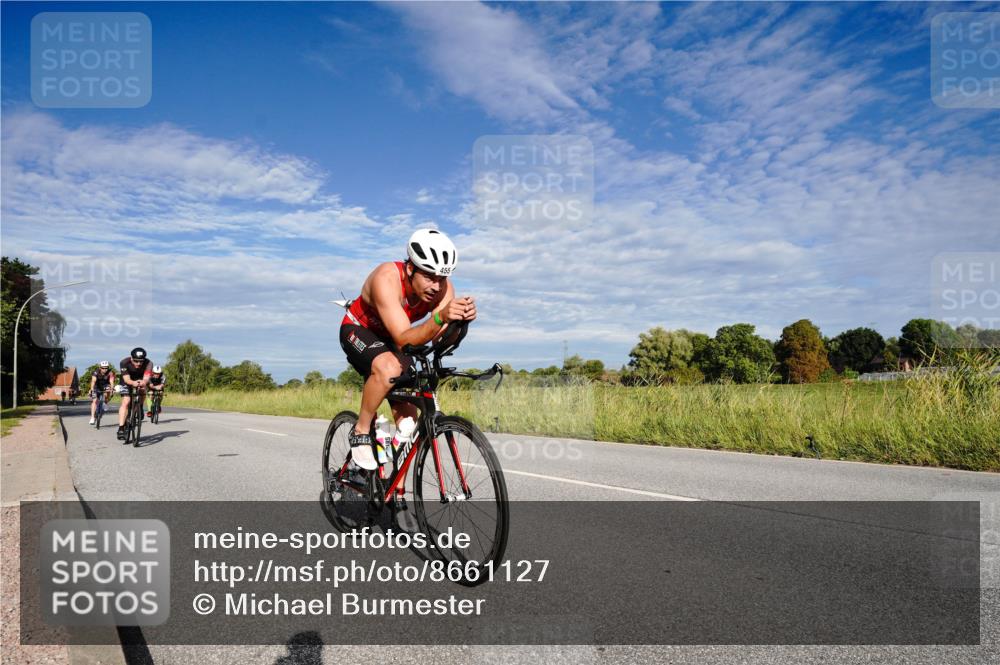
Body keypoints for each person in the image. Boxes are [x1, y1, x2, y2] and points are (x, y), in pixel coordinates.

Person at [339, 228, 475, 469]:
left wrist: (458, 323)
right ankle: (360, 430)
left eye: (442, 278)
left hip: (394, 337)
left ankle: (391, 488)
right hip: (359, 329)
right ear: (411, 269)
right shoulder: (387, 278)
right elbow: (404, 340)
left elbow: (439, 341)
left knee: (409, 426)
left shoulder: (444, 290)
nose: (437, 285)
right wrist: (439, 318)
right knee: (389, 368)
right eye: (429, 276)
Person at [116, 347, 152, 440]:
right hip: (127, 380)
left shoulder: (149, 363)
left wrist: (143, 382)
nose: (138, 363)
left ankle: (139, 406)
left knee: (143, 389)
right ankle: (121, 428)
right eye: (136, 361)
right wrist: (133, 383)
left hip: (141, 379)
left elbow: (146, 378)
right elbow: (127, 379)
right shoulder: (124, 362)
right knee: (126, 401)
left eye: (141, 361)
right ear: (131, 358)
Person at [88, 361, 116, 425]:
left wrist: (112, 389)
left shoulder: (110, 373)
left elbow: (111, 382)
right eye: (103, 368)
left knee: (109, 390)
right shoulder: (96, 372)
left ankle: (105, 402)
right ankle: (92, 417)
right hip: (97, 386)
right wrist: (91, 389)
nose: (104, 369)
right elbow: (93, 381)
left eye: (106, 368)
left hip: (105, 386)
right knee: (94, 401)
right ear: (100, 368)